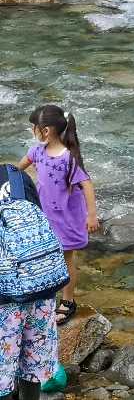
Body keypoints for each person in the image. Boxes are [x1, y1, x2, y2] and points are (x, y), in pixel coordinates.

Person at [19, 105, 99, 325]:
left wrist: (92, 216)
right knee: (45, 254)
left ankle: (68, 301)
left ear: (45, 131)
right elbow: (18, 168)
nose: (33, 131)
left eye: (34, 127)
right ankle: (44, 296)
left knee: (66, 257)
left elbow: (87, 184)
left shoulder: (68, 158)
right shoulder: (37, 152)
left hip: (67, 217)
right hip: (45, 215)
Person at [0, 164, 61, 400]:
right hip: (40, 286)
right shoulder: (16, 175)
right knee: (32, 363)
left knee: (2, 372)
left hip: (4, 299)